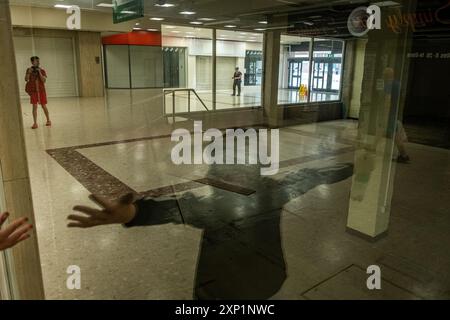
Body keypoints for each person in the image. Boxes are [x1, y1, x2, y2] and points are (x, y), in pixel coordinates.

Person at [384, 67, 410, 163]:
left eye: (385, 74)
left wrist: (385, 115)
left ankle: (404, 155)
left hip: (391, 115)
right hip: (397, 113)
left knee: (396, 136)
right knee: (395, 135)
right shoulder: (398, 84)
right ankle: (403, 155)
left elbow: (387, 100)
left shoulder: (388, 85)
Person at [25, 56, 51, 129]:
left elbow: (44, 80)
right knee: (34, 107)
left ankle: (48, 120)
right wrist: (28, 73)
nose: (38, 62)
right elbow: (26, 79)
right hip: (33, 92)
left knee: (43, 106)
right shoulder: (28, 70)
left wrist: (39, 72)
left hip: (41, 91)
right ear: (32, 62)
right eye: (37, 61)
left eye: (38, 61)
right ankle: (35, 123)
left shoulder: (42, 70)